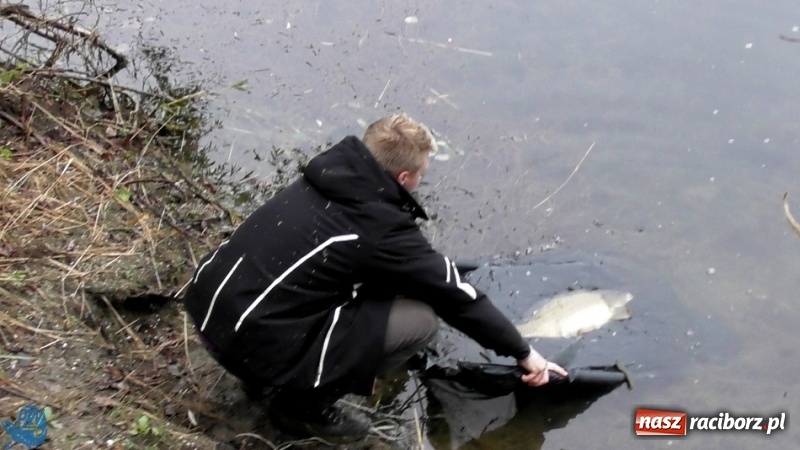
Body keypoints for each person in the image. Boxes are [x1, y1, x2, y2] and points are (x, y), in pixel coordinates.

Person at [183, 113, 568, 442]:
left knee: (331, 288)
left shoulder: (321, 179)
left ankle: (265, 376)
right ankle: (300, 407)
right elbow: (457, 296)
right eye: (420, 174)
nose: (420, 181)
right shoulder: (380, 226)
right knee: (420, 322)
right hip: (248, 349)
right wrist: (525, 355)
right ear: (404, 177)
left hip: (210, 316)